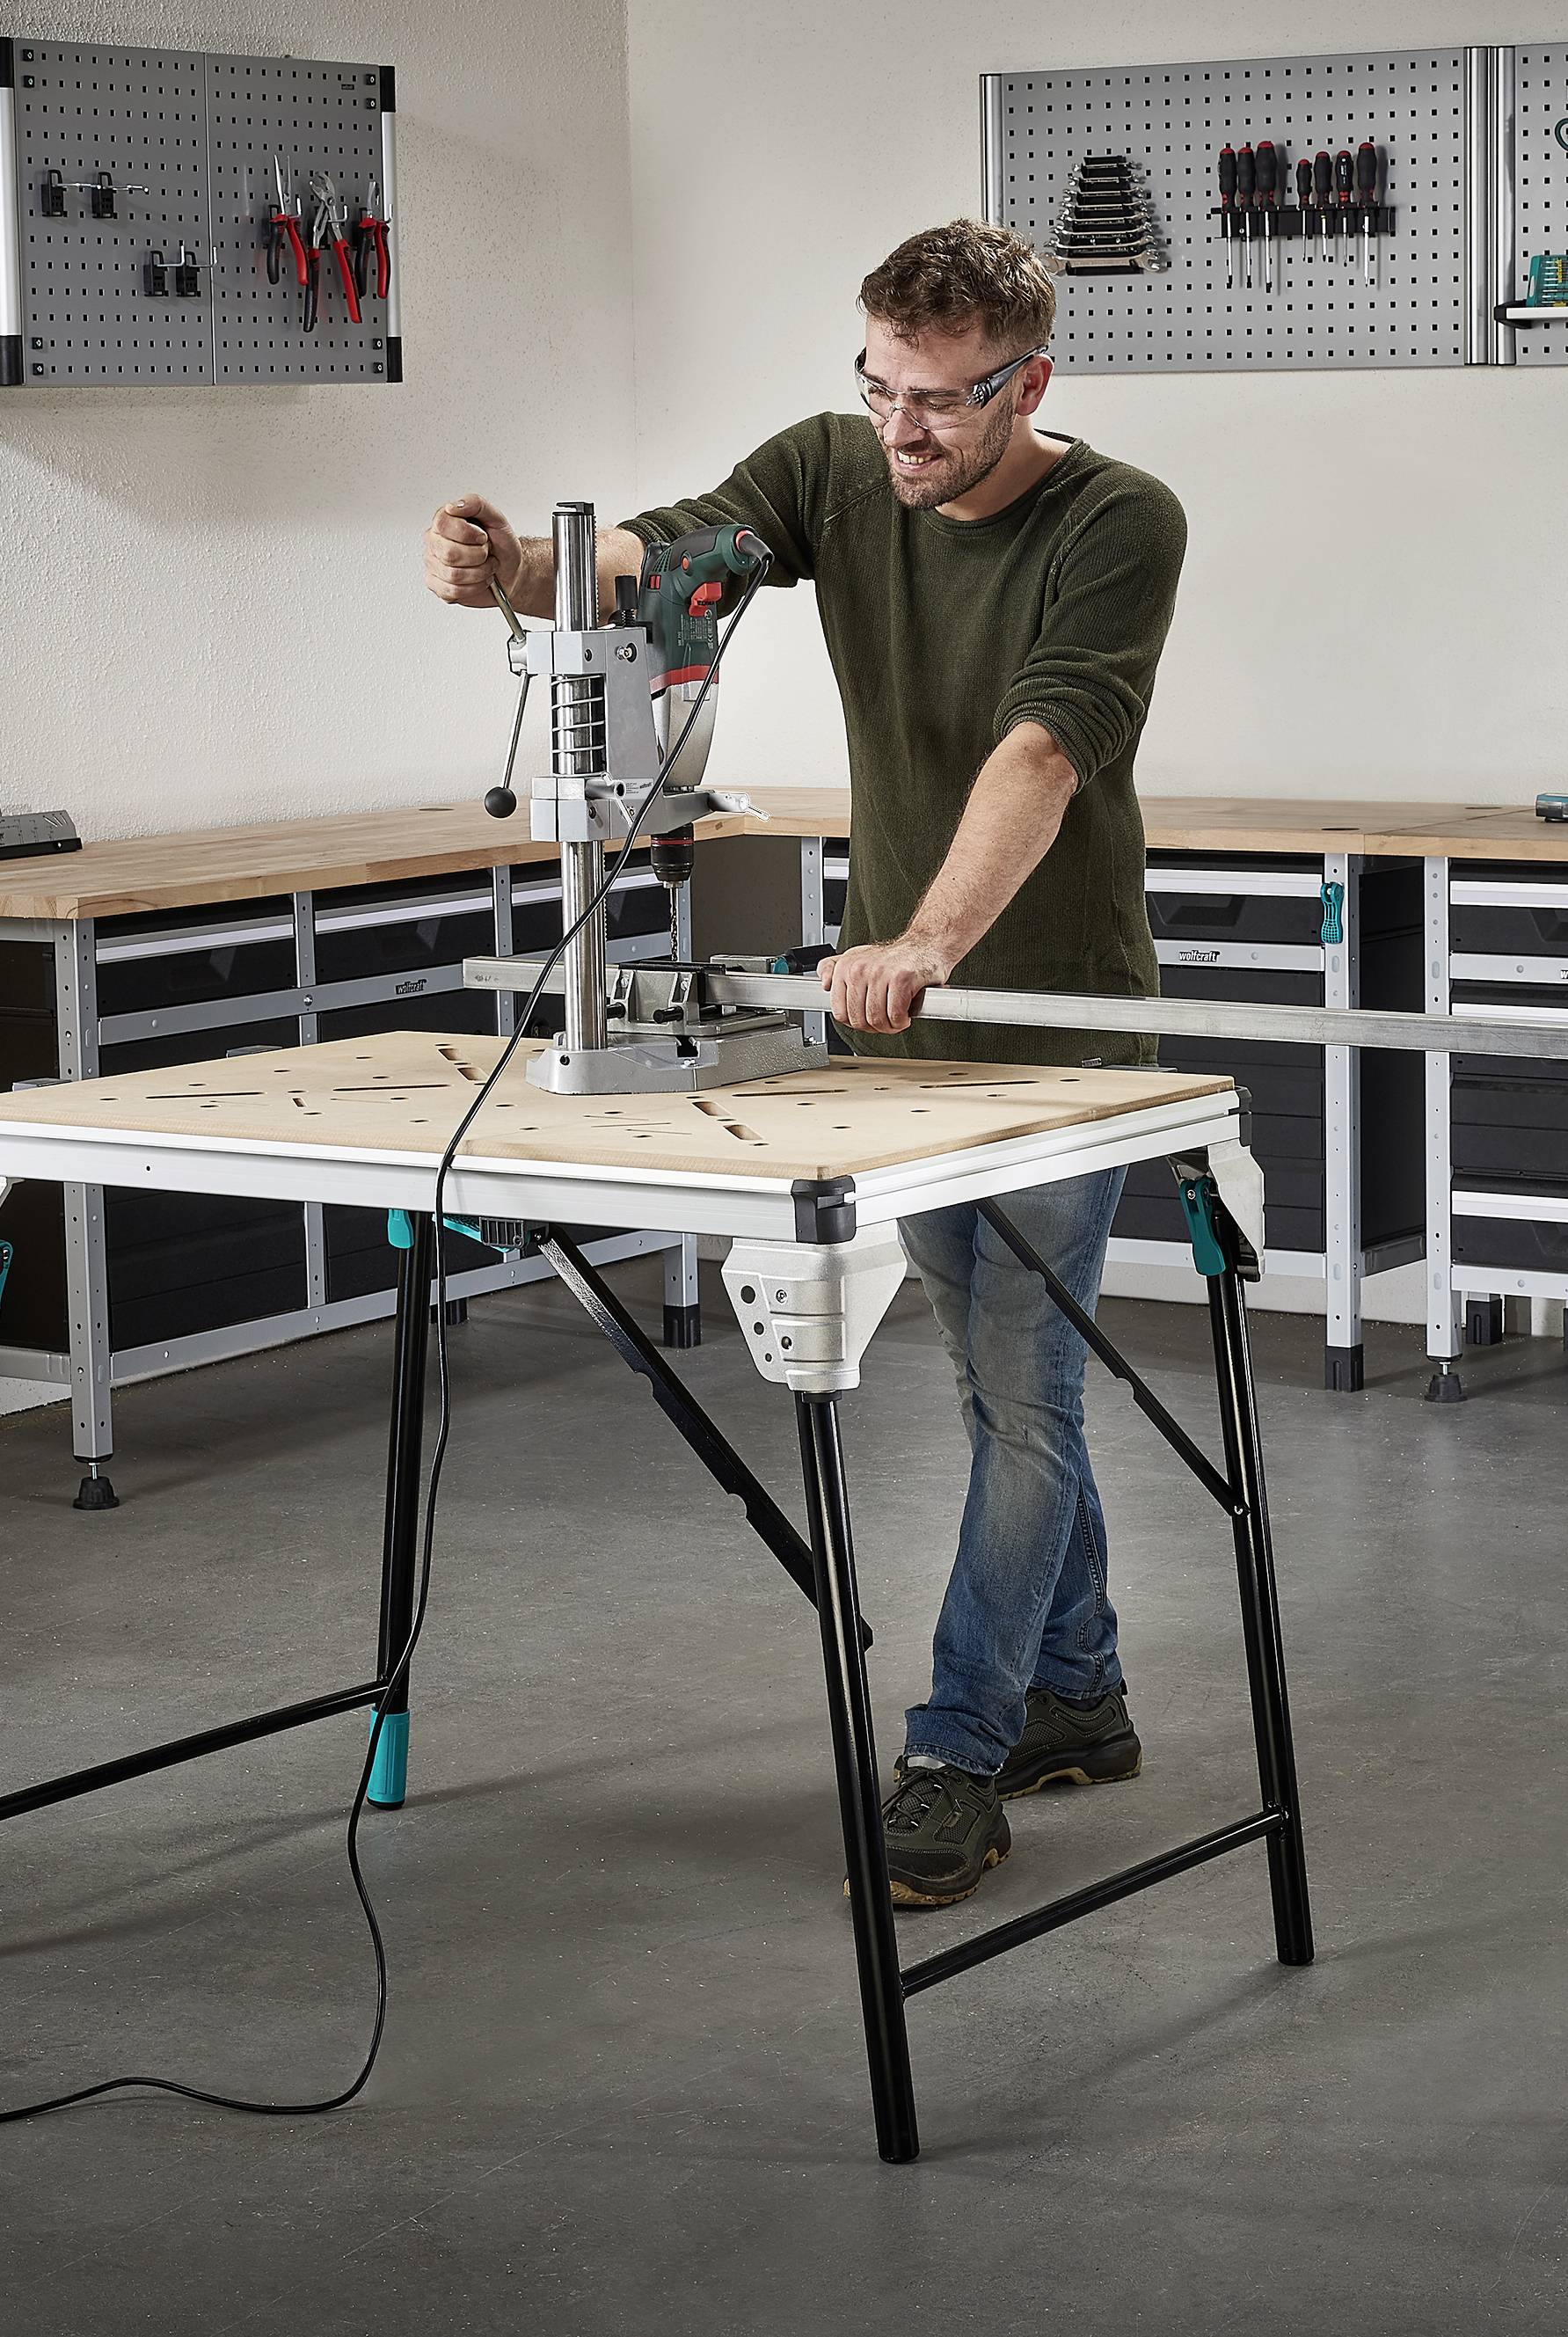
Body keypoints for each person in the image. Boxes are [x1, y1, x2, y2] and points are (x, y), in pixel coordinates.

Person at [423, 218, 1187, 1910]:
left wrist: (921, 940)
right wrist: (522, 575)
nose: (902, 429)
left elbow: (1047, 749)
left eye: (942, 401)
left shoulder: (1121, 519)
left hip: (1055, 1028)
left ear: (1029, 381)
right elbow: (670, 560)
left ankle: (958, 1749)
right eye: (881, 386)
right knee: (1010, 1391)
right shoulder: (838, 472)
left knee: (1025, 1389)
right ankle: (1085, 1693)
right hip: (899, 1041)